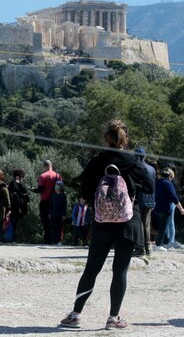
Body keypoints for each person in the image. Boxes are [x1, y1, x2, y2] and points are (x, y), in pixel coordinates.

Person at [59, 120, 154, 330]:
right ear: (125, 140)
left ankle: (75, 315)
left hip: (102, 222)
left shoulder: (96, 162)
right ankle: (113, 318)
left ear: (106, 139)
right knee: (120, 270)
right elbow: (150, 186)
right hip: (128, 222)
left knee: (91, 269)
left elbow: (85, 193)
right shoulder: (133, 161)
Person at [153, 168, 184, 251]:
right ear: (169, 176)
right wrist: (181, 208)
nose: (172, 179)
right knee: (164, 227)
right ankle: (159, 244)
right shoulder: (168, 184)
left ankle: (162, 243)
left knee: (162, 226)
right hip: (165, 208)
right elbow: (174, 197)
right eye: (172, 177)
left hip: (157, 207)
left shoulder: (157, 182)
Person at [32, 159, 62, 244]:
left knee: (45, 221)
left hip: (45, 202)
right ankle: (56, 239)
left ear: (45, 166)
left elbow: (40, 189)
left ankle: (48, 239)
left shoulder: (43, 176)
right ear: (51, 166)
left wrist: (33, 190)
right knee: (55, 221)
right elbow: (61, 189)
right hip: (55, 202)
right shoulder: (57, 176)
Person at [133, 147, 155, 256]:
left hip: (138, 200)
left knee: (138, 224)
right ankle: (148, 247)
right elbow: (153, 186)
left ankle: (139, 247)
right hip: (150, 200)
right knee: (147, 223)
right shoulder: (152, 169)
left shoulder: (135, 167)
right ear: (145, 156)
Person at [8, 169, 30, 242]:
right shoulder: (15, 184)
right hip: (17, 207)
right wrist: (19, 207)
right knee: (16, 223)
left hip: (16, 207)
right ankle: (14, 238)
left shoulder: (13, 183)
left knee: (15, 223)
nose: (22, 178)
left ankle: (14, 238)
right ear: (18, 176)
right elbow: (17, 196)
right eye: (21, 176)